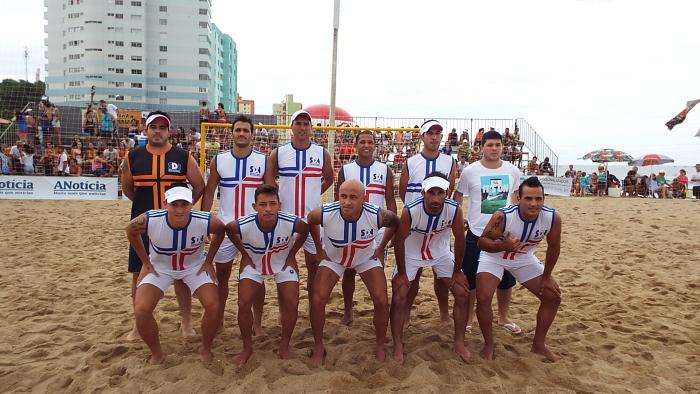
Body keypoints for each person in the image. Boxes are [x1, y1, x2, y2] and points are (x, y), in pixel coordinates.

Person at [121, 111, 205, 341]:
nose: (157, 131)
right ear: (146, 130)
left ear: (169, 131)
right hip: (145, 225)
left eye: (162, 127)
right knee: (139, 272)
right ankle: (139, 324)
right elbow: (127, 188)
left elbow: (199, 186)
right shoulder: (133, 157)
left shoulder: (183, 156)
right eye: (153, 127)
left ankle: (186, 323)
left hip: (177, 224)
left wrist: (182, 209)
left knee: (180, 274)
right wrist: (144, 210)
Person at [126, 184, 225, 364]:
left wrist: (209, 261)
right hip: (160, 267)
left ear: (192, 203)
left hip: (194, 266)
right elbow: (130, 230)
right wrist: (145, 262)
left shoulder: (206, 220)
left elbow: (221, 231)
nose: (179, 209)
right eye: (174, 204)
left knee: (213, 305)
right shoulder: (151, 219)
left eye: (184, 204)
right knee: (141, 309)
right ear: (165, 203)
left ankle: (206, 348)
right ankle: (157, 354)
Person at [307, 180, 399, 366]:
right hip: (334, 258)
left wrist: (381, 248)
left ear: (363, 199)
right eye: (343, 196)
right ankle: (318, 345)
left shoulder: (377, 215)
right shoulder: (325, 212)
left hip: (365, 258)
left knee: (381, 299)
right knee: (317, 299)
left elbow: (396, 222)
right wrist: (318, 248)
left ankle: (380, 345)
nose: (347, 202)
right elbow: (310, 220)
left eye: (353, 197)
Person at [476, 177, 562, 362]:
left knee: (552, 296)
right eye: (529, 199)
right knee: (483, 297)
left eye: (539, 199)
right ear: (519, 198)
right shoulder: (503, 215)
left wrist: (546, 276)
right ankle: (488, 344)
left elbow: (554, 247)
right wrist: (502, 245)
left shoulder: (552, 218)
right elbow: (481, 242)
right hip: (495, 257)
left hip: (523, 258)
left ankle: (539, 345)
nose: (534, 204)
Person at [225, 185, 309, 366]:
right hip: (254, 264)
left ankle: (284, 346)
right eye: (263, 204)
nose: (268, 209)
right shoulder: (243, 223)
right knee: (243, 303)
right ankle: (247, 347)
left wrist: (292, 254)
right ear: (254, 206)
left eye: (272, 204)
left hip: (282, 262)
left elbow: (305, 230)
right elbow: (229, 230)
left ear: (280, 204)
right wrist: (245, 254)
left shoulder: (292, 221)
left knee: (292, 301)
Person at [391, 172, 470, 363]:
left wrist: (458, 271)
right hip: (411, 255)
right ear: (423, 193)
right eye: (431, 193)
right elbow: (399, 242)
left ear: (447, 193)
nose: (435, 198)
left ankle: (459, 342)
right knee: (400, 294)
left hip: (440, 254)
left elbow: (460, 240)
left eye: (440, 193)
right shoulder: (410, 210)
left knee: (462, 292)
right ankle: (397, 344)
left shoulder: (455, 210)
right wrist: (401, 273)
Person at [201, 115, 268, 334]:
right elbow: (210, 191)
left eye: (245, 130)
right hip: (226, 226)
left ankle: (257, 322)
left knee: (256, 276)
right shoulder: (219, 160)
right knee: (222, 276)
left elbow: (270, 191)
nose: (241, 134)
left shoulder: (263, 160)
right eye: (238, 130)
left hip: (254, 227)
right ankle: (218, 320)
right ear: (232, 133)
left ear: (252, 134)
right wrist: (204, 222)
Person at [453, 130, 522, 336]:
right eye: (490, 145)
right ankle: (470, 319)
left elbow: (516, 198)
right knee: (472, 278)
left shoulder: (512, 171)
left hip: (505, 233)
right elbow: (458, 196)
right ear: (481, 147)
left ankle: (503, 317)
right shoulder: (470, 171)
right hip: (476, 232)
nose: (494, 149)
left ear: (502, 147)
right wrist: (460, 218)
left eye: (497, 145)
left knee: (506, 279)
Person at [267, 109, 334, 301]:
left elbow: (329, 178)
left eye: (306, 124)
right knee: (283, 265)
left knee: (313, 263)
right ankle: (284, 307)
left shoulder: (321, 153)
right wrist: (278, 198)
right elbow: (270, 178)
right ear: (291, 127)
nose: (303, 127)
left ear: (312, 129)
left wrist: (314, 195)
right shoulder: (278, 153)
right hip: (286, 219)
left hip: (311, 220)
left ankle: (312, 302)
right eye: (299, 123)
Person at [335, 130, 398, 325]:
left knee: (377, 272)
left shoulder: (384, 169)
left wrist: (392, 231)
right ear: (355, 145)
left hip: (377, 233)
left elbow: (390, 202)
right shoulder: (346, 170)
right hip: (351, 229)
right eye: (362, 141)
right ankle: (347, 310)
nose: (366, 145)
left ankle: (377, 311)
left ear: (375, 145)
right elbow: (339, 201)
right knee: (349, 271)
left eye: (370, 142)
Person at [398, 119, 457, 323]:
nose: (434, 137)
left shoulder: (450, 162)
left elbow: (450, 192)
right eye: (430, 133)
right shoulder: (411, 162)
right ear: (422, 137)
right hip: (415, 227)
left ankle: (443, 313)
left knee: (440, 273)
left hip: (440, 227)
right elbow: (402, 192)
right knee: (413, 273)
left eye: (437, 133)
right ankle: (405, 312)